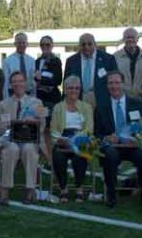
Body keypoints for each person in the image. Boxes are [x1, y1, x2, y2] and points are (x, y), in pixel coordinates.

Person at [94, 71, 142, 209]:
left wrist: (138, 138)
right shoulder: (101, 107)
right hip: (112, 146)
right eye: (111, 83)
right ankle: (111, 193)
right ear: (107, 86)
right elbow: (97, 134)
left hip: (133, 146)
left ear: (123, 84)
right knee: (110, 154)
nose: (114, 86)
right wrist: (107, 138)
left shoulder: (137, 104)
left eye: (117, 82)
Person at [0, 71, 47, 205]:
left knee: (29, 149)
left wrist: (32, 124)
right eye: (14, 82)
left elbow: (42, 126)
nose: (18, 84)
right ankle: (4, 190)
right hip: (9, 138)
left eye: (20, 81)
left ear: (25, 83)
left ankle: (30, 190)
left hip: (30, 138)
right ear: (11, 85)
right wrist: (8, 125)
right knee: (11, 149)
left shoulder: (37, 102)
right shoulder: (3, 104)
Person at [50, 75, 93, 203]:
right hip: (62, 139)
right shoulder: (58, 107)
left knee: (80, 155)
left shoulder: (87, 107)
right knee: (58, 156)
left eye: (77, 88)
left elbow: (89, 128)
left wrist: (75, 140)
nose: (74, 91)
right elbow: (53, 129)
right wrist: (61, 139)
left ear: (80, 90)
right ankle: (63, 188)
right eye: (70, 88)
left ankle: (79, 187)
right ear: (65, 89)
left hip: (80, 139)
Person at [64, 33, 117, 110]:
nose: (86, 47)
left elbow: (115, 81)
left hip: (101, 100)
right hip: (78, 99)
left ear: (95, 45)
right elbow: (66, 83)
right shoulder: (71, 61)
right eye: (83, 44)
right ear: (79, 46)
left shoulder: (108, 59)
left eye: (89, 44)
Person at [114, 28, 142, 98]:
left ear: (137, 39)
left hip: (141, 97)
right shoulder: (115, 57)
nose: (130, 40)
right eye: (128, 37)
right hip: (122, 97)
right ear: (123, 39)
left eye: (133, 37)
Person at [34, 35, 62, 126]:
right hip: (40, 99)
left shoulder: (56, 61)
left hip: (51, 100)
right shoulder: (37, 61)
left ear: (52, 46)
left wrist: (41, 79)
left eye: (47, 44)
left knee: (51, 124)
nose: (45, 47)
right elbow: (35, 78)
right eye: (42, 45)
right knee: (41, 123)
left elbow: (57, 80)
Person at [2, 32, 35, 98]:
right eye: (19, 43)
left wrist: (34, 97)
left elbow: (33, 81)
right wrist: (6, 99)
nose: (21, 45)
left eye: (23, 43)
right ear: (15, 44)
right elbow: (5, 83)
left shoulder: (32, 60)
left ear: (27, 44)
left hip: (28, 95)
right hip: (13, 95)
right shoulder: (7, 61)